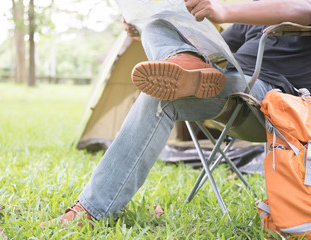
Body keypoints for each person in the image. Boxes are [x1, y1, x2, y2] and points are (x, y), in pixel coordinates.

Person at [41, 0, 311, 228]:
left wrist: (224, 11)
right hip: (228, 84)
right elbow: (213, 49)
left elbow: (302, 8)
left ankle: (92, 212)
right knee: (158, 29)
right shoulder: (250, 18)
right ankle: (183, 59)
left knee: (166, 90)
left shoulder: (293, 6)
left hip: (271, 97)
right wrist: (144, 30)